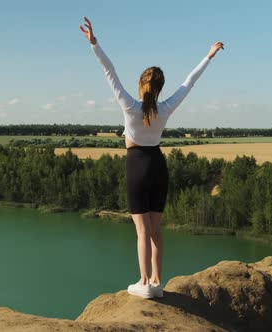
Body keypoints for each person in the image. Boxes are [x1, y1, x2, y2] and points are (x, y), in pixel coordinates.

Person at [80, 16, 224, 299]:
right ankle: (157, 282)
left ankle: (144, 282)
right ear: (159, 87)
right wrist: (209, 56)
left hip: (136, 165)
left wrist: (94, 44)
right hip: (158, 165)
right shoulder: (166, 107)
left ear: (141, 85)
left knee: (141, 230)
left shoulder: (129, 106)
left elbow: (109, 71)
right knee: (156, 228)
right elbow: (189, 82)